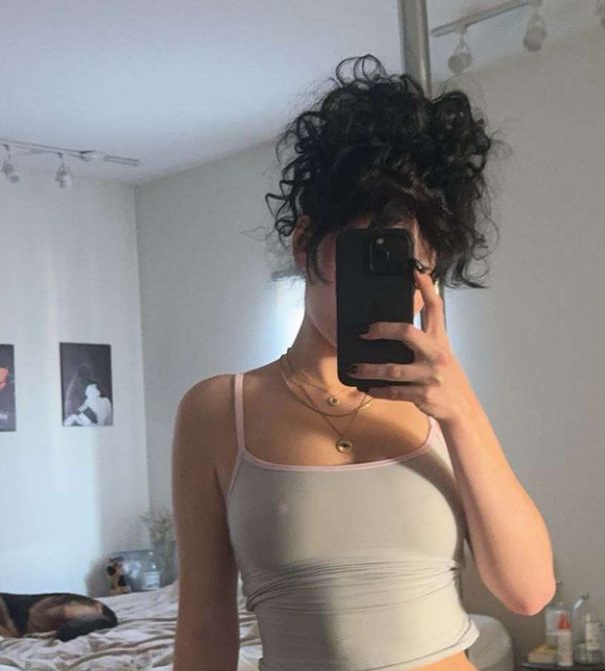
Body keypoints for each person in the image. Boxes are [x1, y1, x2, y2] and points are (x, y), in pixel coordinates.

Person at [171, 55, 523, 671]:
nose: (389, 287)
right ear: (304, 244)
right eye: (365, 258)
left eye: (412, 266)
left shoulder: (444, 406)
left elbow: (527, 590)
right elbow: (203, 631)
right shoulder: (218, 411)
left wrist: (462, 410)